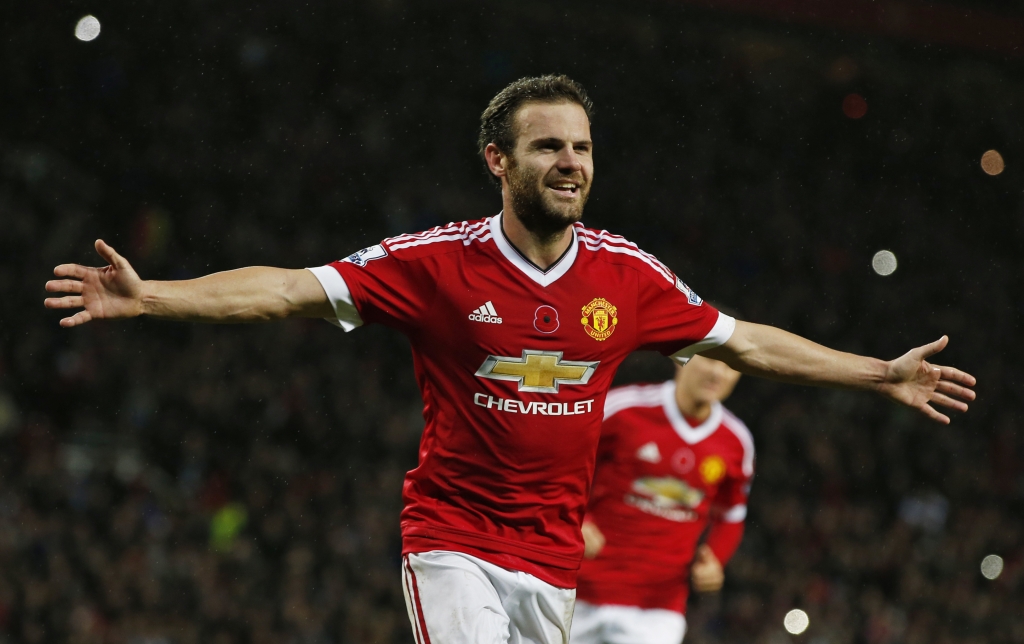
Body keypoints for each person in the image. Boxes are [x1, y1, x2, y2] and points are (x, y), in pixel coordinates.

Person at [44, 75, 975, 644]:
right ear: (498, 159)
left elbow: (747, 342)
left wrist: (877, 372)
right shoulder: (436, 264)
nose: (569, 162)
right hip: (454, 543)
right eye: (547, 147)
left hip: (555, 560)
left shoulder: (629, 277)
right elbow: (290, 287)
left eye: (581, 147)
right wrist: (154, 295)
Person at [570, 354, 750, 644]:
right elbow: (562, 466)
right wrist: (578, 520)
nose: (718, 372)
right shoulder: (623, 407)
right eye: (710, 359)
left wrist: (715, 559)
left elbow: (730, 517)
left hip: (657, 610)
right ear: (681, 358)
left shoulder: (737, 441)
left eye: (731, 365)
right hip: (576, 589)